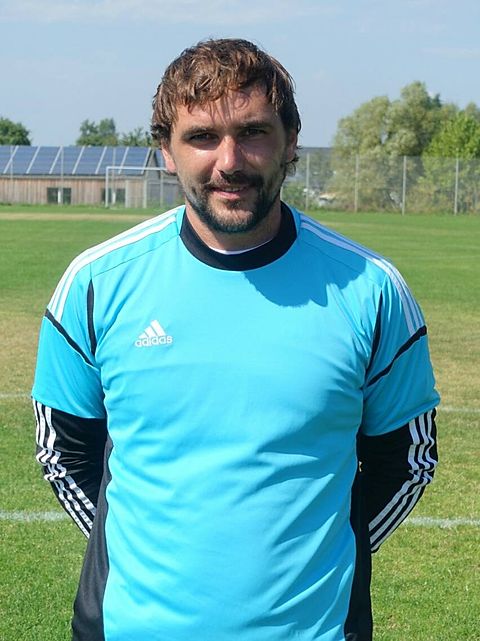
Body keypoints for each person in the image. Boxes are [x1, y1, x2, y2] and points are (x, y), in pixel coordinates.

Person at [32, 38, 439, 641]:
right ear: (166, 151)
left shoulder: (371, 290)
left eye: (253, 132)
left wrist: (320, 553)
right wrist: (149, 552)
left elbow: (407, 459)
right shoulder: (94, 284)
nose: (230, 161)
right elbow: (63, 452)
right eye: (202, 137)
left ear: (291, 141)